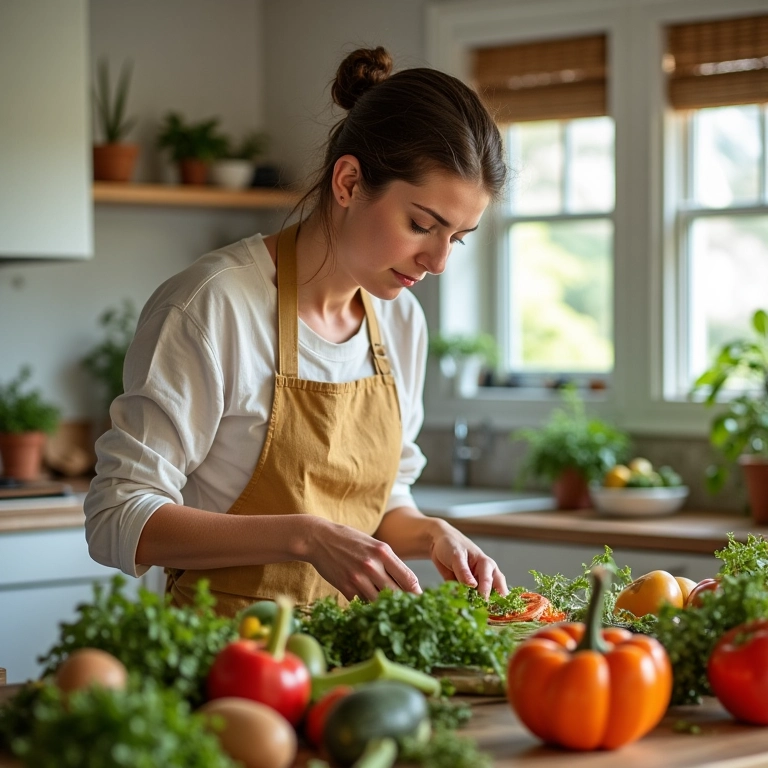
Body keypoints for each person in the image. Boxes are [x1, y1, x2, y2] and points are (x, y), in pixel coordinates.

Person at [84, 46, 509, 617]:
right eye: (421, 225)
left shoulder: (400, 322)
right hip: (227, 668)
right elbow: (117, 515)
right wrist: (304, 536)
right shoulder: (213, 306)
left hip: (354, 669)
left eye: (456, 238)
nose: (437, 263)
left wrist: (431, 533)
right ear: (349, 181)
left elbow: (380, 506)